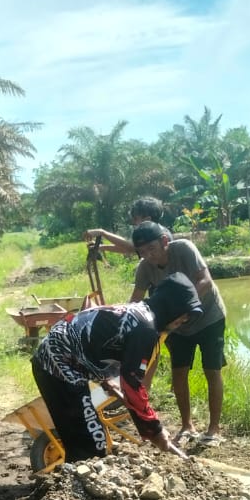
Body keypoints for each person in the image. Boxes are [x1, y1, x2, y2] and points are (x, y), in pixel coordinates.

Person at [31, 273, 201, 462]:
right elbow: (132, 383)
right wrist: (155, 429)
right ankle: (78, 485)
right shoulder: (145, 329)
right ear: (171, 306)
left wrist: (105, 381)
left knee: (88, 440)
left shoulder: (141, 315)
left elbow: (103, 345)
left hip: (60, 361)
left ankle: (77, 478)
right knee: (91, 444)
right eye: (184, 314)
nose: (184, 320)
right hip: (57, 365)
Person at [129, 222, 228, 445]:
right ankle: (187, 425)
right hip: (176, 326)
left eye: (151, 249)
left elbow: (205, 280)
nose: (148, 256)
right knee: (179, 372)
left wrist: (182, 307)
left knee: (212, 370)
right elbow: (136, 298)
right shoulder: (145, 268)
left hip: (209, 317)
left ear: (164, 241)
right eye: (142, 252)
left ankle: (214, 429)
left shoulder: (184, 249)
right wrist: (127, 320)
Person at [82, 196, 164, 256]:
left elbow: (131, 248)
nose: (133, 222)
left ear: (147, 220)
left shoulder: (157, 235)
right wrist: (100, 247)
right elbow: (128, 248)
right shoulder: (152, 233)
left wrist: (102, 233)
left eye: (135, 219)